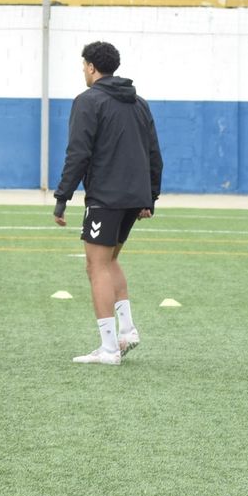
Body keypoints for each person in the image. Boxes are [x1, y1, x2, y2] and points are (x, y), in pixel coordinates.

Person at [52, 41, 162, 366]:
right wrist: (150, 196)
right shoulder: (139, 102)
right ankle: (127, 331)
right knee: (110, 260)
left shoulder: (88, 101)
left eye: (83, 66)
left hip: (106, 196)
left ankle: (109, 349)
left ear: (90, 67)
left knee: (95, 265)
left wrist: (62, 197)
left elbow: (78, 153)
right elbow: (154, 151)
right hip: (134, 197)